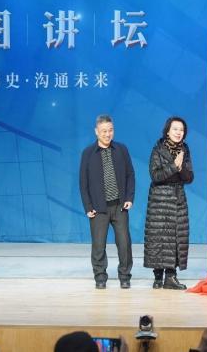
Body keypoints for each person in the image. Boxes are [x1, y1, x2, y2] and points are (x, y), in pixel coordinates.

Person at [79, 115, 135, 289]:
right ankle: (100, 277)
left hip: (119, 206)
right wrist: (88, 206)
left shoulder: (121, 149)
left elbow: (130, 175)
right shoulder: (88, 153)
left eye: (110, 130)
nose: (107, 134)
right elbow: (83, 182)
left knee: (124, 244)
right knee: (98, 245)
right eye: (104, 131)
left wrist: (129, 198)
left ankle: (124, 276)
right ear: (96, 132)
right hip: (98, 208)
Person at [143, 117, 194, 290]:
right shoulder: (158, 149)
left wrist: (181, 168)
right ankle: (158, 277)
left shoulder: (185, 149)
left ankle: (171, 277)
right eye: (175, 129)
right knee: (159, 237)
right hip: (159, 199)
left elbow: (189, 177)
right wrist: (174, 166)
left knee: (176, 238)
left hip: (178, 198)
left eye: (181, 130)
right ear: (167, 131)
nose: (178, 132)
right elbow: (155, 176)